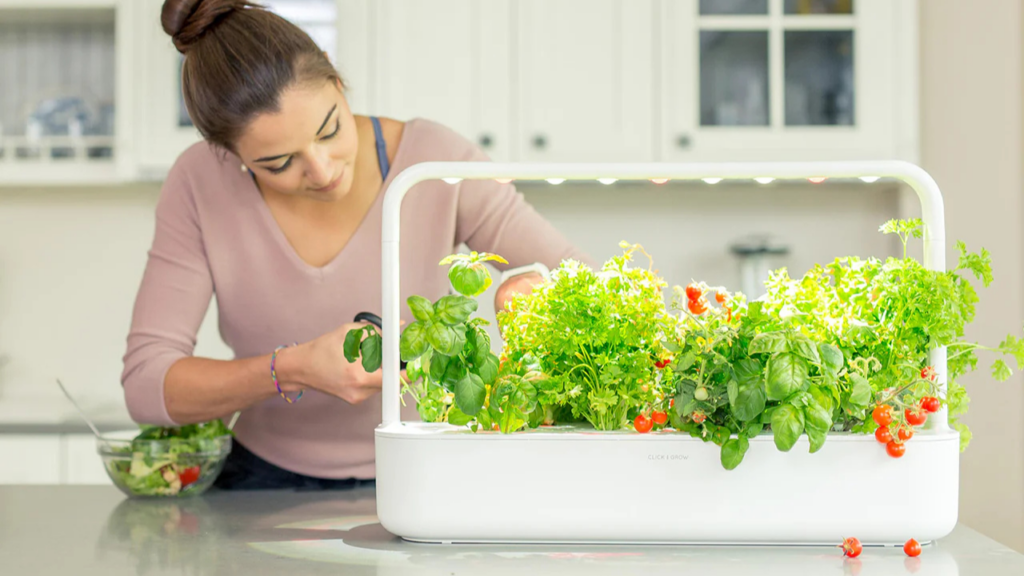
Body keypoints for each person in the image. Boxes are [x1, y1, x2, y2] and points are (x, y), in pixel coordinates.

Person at [122, 0, 589, 490]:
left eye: (331, 129)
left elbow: (581, 276)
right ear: (228, 154)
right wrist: (293, 368)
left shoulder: (435, 160)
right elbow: (147, 386)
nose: (323, 171)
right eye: (279, 163)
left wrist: (529, 290)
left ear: (338, 82)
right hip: (260, 482)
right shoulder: (199, 183)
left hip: (428, 467)